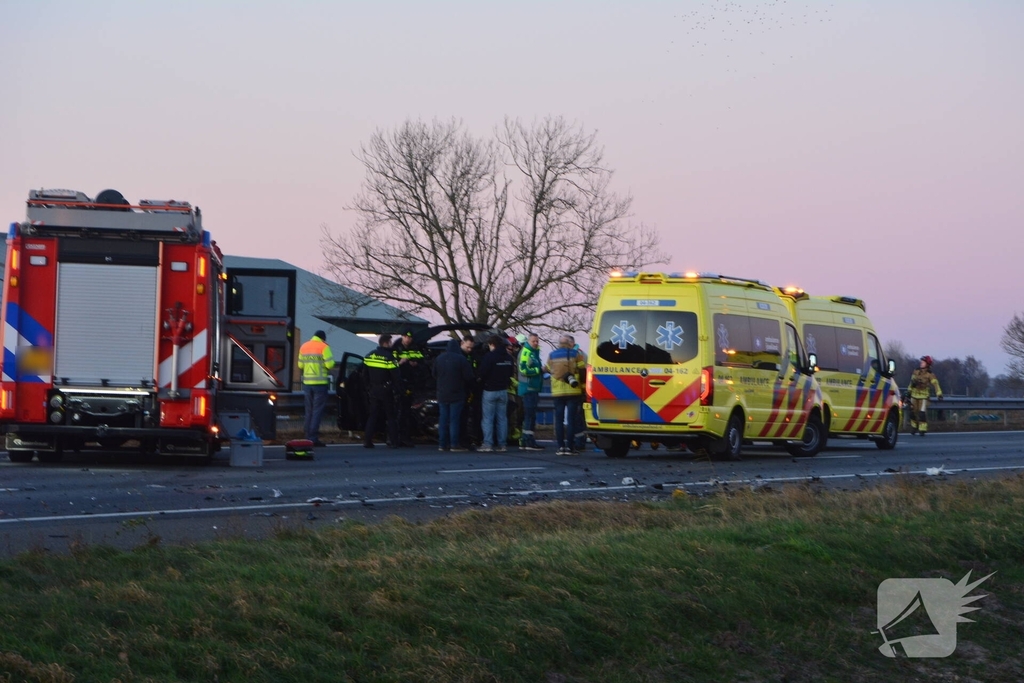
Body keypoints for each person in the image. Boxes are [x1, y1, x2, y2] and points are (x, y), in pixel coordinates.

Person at [546, 334, 587, 455]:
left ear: (559, 344)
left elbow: (547, 369)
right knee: (571, 420)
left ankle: (560, 447)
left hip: (557, 391)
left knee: (559, 420)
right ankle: (570, 447)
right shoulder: (576, 354)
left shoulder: (552, 355)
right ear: (570, 344)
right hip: (573, 390)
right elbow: (582, 370)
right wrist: (583, 387)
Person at [434, 338, 475, 452]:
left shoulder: (439, 358)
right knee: (454, 420)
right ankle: (454, 444)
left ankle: (442, 444)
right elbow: (469, 377)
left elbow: (434, 374)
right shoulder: (461, 359)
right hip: (457, 394)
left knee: (443, 419)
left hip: (442, 393)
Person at [476, 335, 516, 452]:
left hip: (490, 390)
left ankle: (488, 444)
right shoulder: (508, 358)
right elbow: (510, 374)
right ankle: (502, 444)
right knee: (502, 419)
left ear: (492, 344)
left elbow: (482, 373)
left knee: (488, 419)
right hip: (503, 391)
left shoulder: (489, 357)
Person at [362, 334, 401, 449]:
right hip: (386, 390)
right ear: (386, 343)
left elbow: (364, 375)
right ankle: (393, 441)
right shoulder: (389, 357)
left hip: (374, 390)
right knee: (390, 416)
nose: (391, 344)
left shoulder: (369, 355)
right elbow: (396, 376)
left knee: (373, 416)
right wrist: (398, 390)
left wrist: (368, 387)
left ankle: (367, 440)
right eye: (390, 342)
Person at [297, 330, 335, 446]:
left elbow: (300, 365)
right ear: (323, 338)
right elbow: (330, 364)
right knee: (317, 411)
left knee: (309, 411)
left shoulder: (304, 346)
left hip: (307, 384)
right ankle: (313, 438)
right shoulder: (324, 347)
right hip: (320, 383)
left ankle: (307, 435)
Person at [392, 331, 425, 446]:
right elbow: (389, 365)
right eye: (406, 337)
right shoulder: (395, 348)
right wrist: (400, 363)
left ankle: (405, 437)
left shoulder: (415, 348)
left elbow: (422, 362)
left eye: (409, 337)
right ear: (402, 337)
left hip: (411, 383)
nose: (407, 339)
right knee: (397, 412)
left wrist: (416, 364)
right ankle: (394, 437)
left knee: (406, 411)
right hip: (398, 384)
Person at [517, 332, 545, 451]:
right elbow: (523, 369)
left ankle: (525, 440)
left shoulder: (534, 352)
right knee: (530, 416)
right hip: (528, 388)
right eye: (533, 341)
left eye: (537, 341)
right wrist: (539, 370)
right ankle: (529, 441)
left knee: (530, 415)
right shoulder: (526, 352)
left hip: (532, 388)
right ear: (528, 341)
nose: (535, 343)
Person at [907, 355, 943, 436]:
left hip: (924, 396)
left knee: (922, 413)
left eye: (923, 362)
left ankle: (922, 429)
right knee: (912, 412)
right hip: (914, 395)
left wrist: (939, 394)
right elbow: (911, 383)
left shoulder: (930, 374)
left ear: (927, 364)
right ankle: (914, 427)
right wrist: (908, 392)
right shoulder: (916, 371)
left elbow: (935, 384)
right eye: (921, 362)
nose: (921, 363)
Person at [458, 335, 483, 449]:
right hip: (460, 390)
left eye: (471, 348)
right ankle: (460, 439)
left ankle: (470, 437)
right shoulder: (458, 356)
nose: (469, 350)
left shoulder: (474, 356)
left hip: (471, 390)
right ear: (462, 343)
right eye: (467, 347)